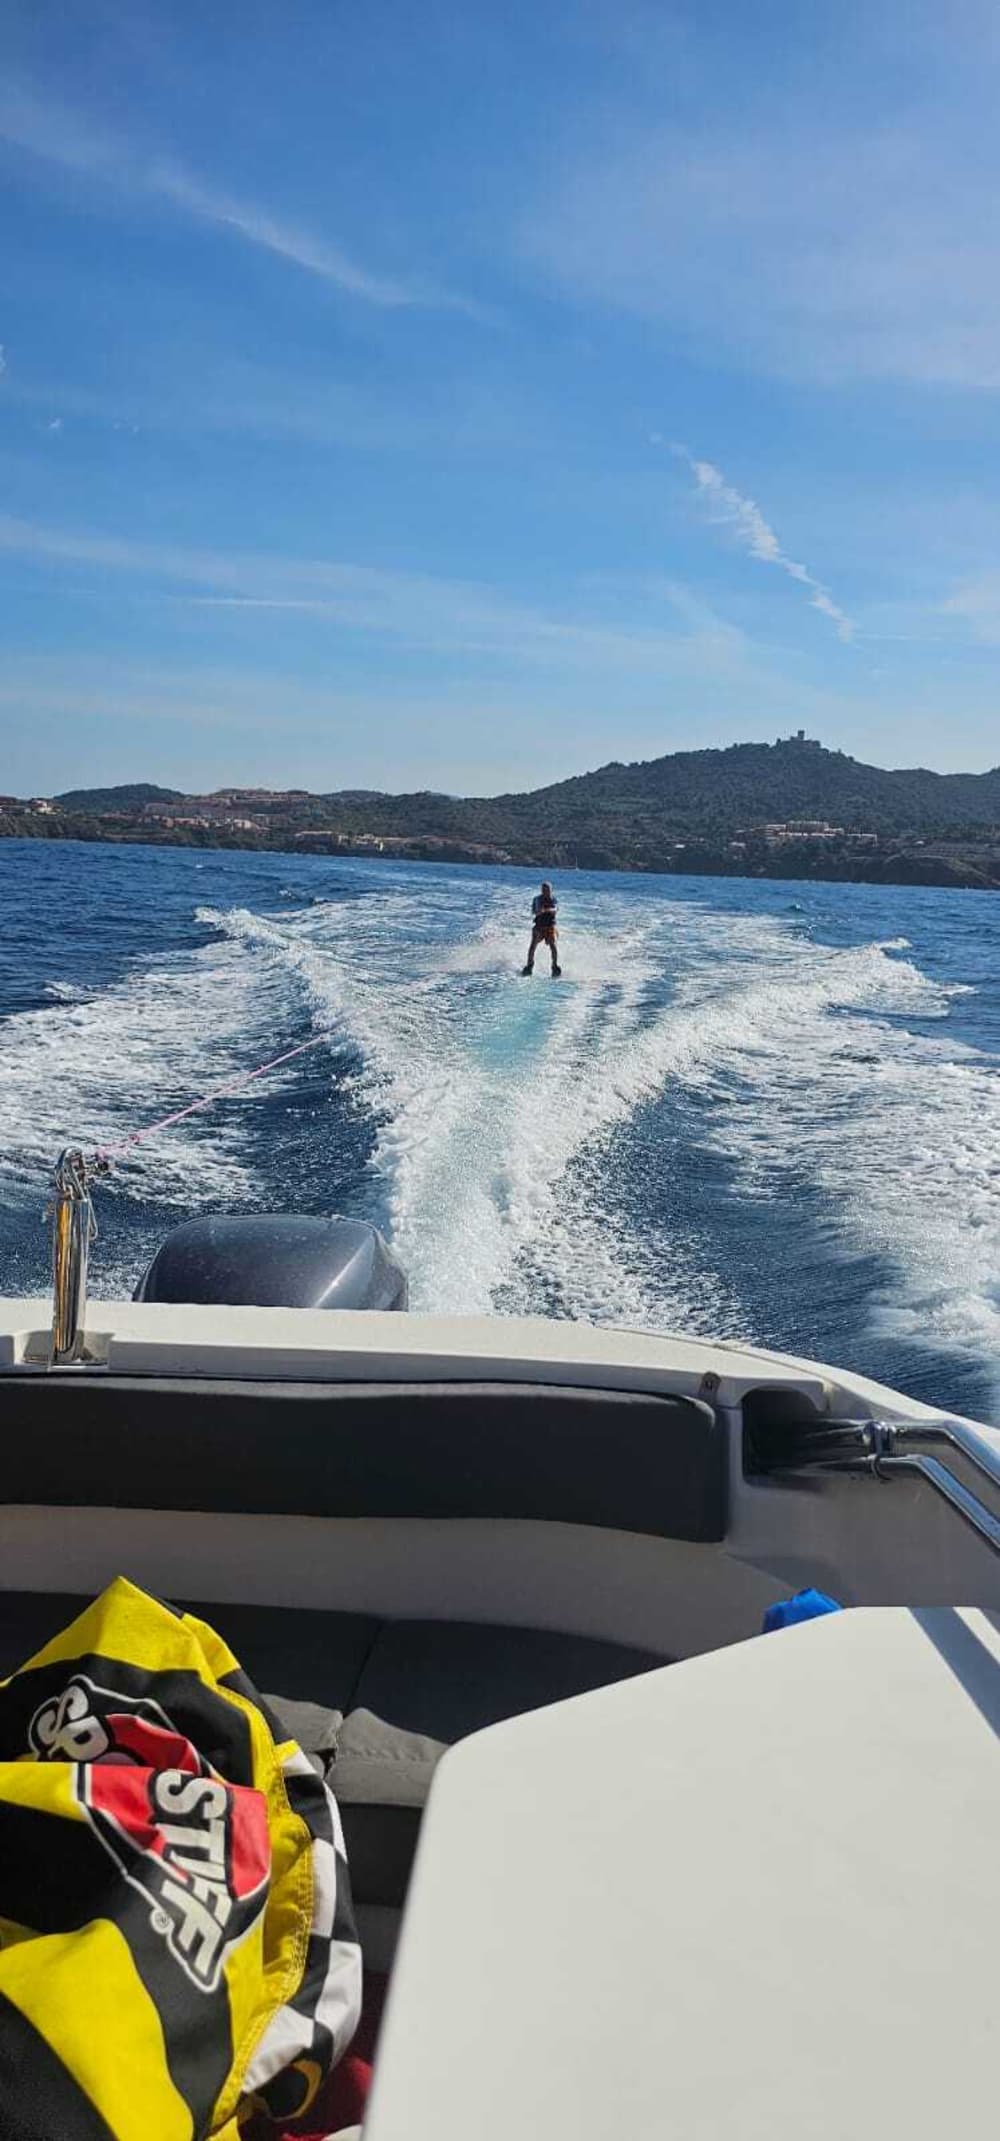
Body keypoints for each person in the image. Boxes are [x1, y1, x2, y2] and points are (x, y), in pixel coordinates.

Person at [523, 880, 561, 976]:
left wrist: (548, 910)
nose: (545, 892)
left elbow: (556, 909)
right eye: (543, 890)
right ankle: (529, 965)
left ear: (551, 890)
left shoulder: (553, 899)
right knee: (533, 944)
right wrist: (541, 911)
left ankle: (554, 965)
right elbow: (536, 911)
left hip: (550, 926)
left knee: (553, 945)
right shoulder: (537, 899)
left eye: (547, 890)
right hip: (539, 926)